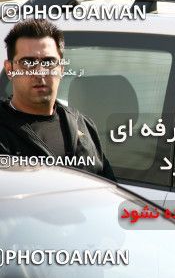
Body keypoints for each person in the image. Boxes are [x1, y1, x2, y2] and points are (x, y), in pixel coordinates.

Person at [0, 18, 115, 181]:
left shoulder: (83, 126)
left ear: (61, 69)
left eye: (49, 62)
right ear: (10, 69)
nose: (40, 72)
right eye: (28, 62)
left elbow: (109, 193)